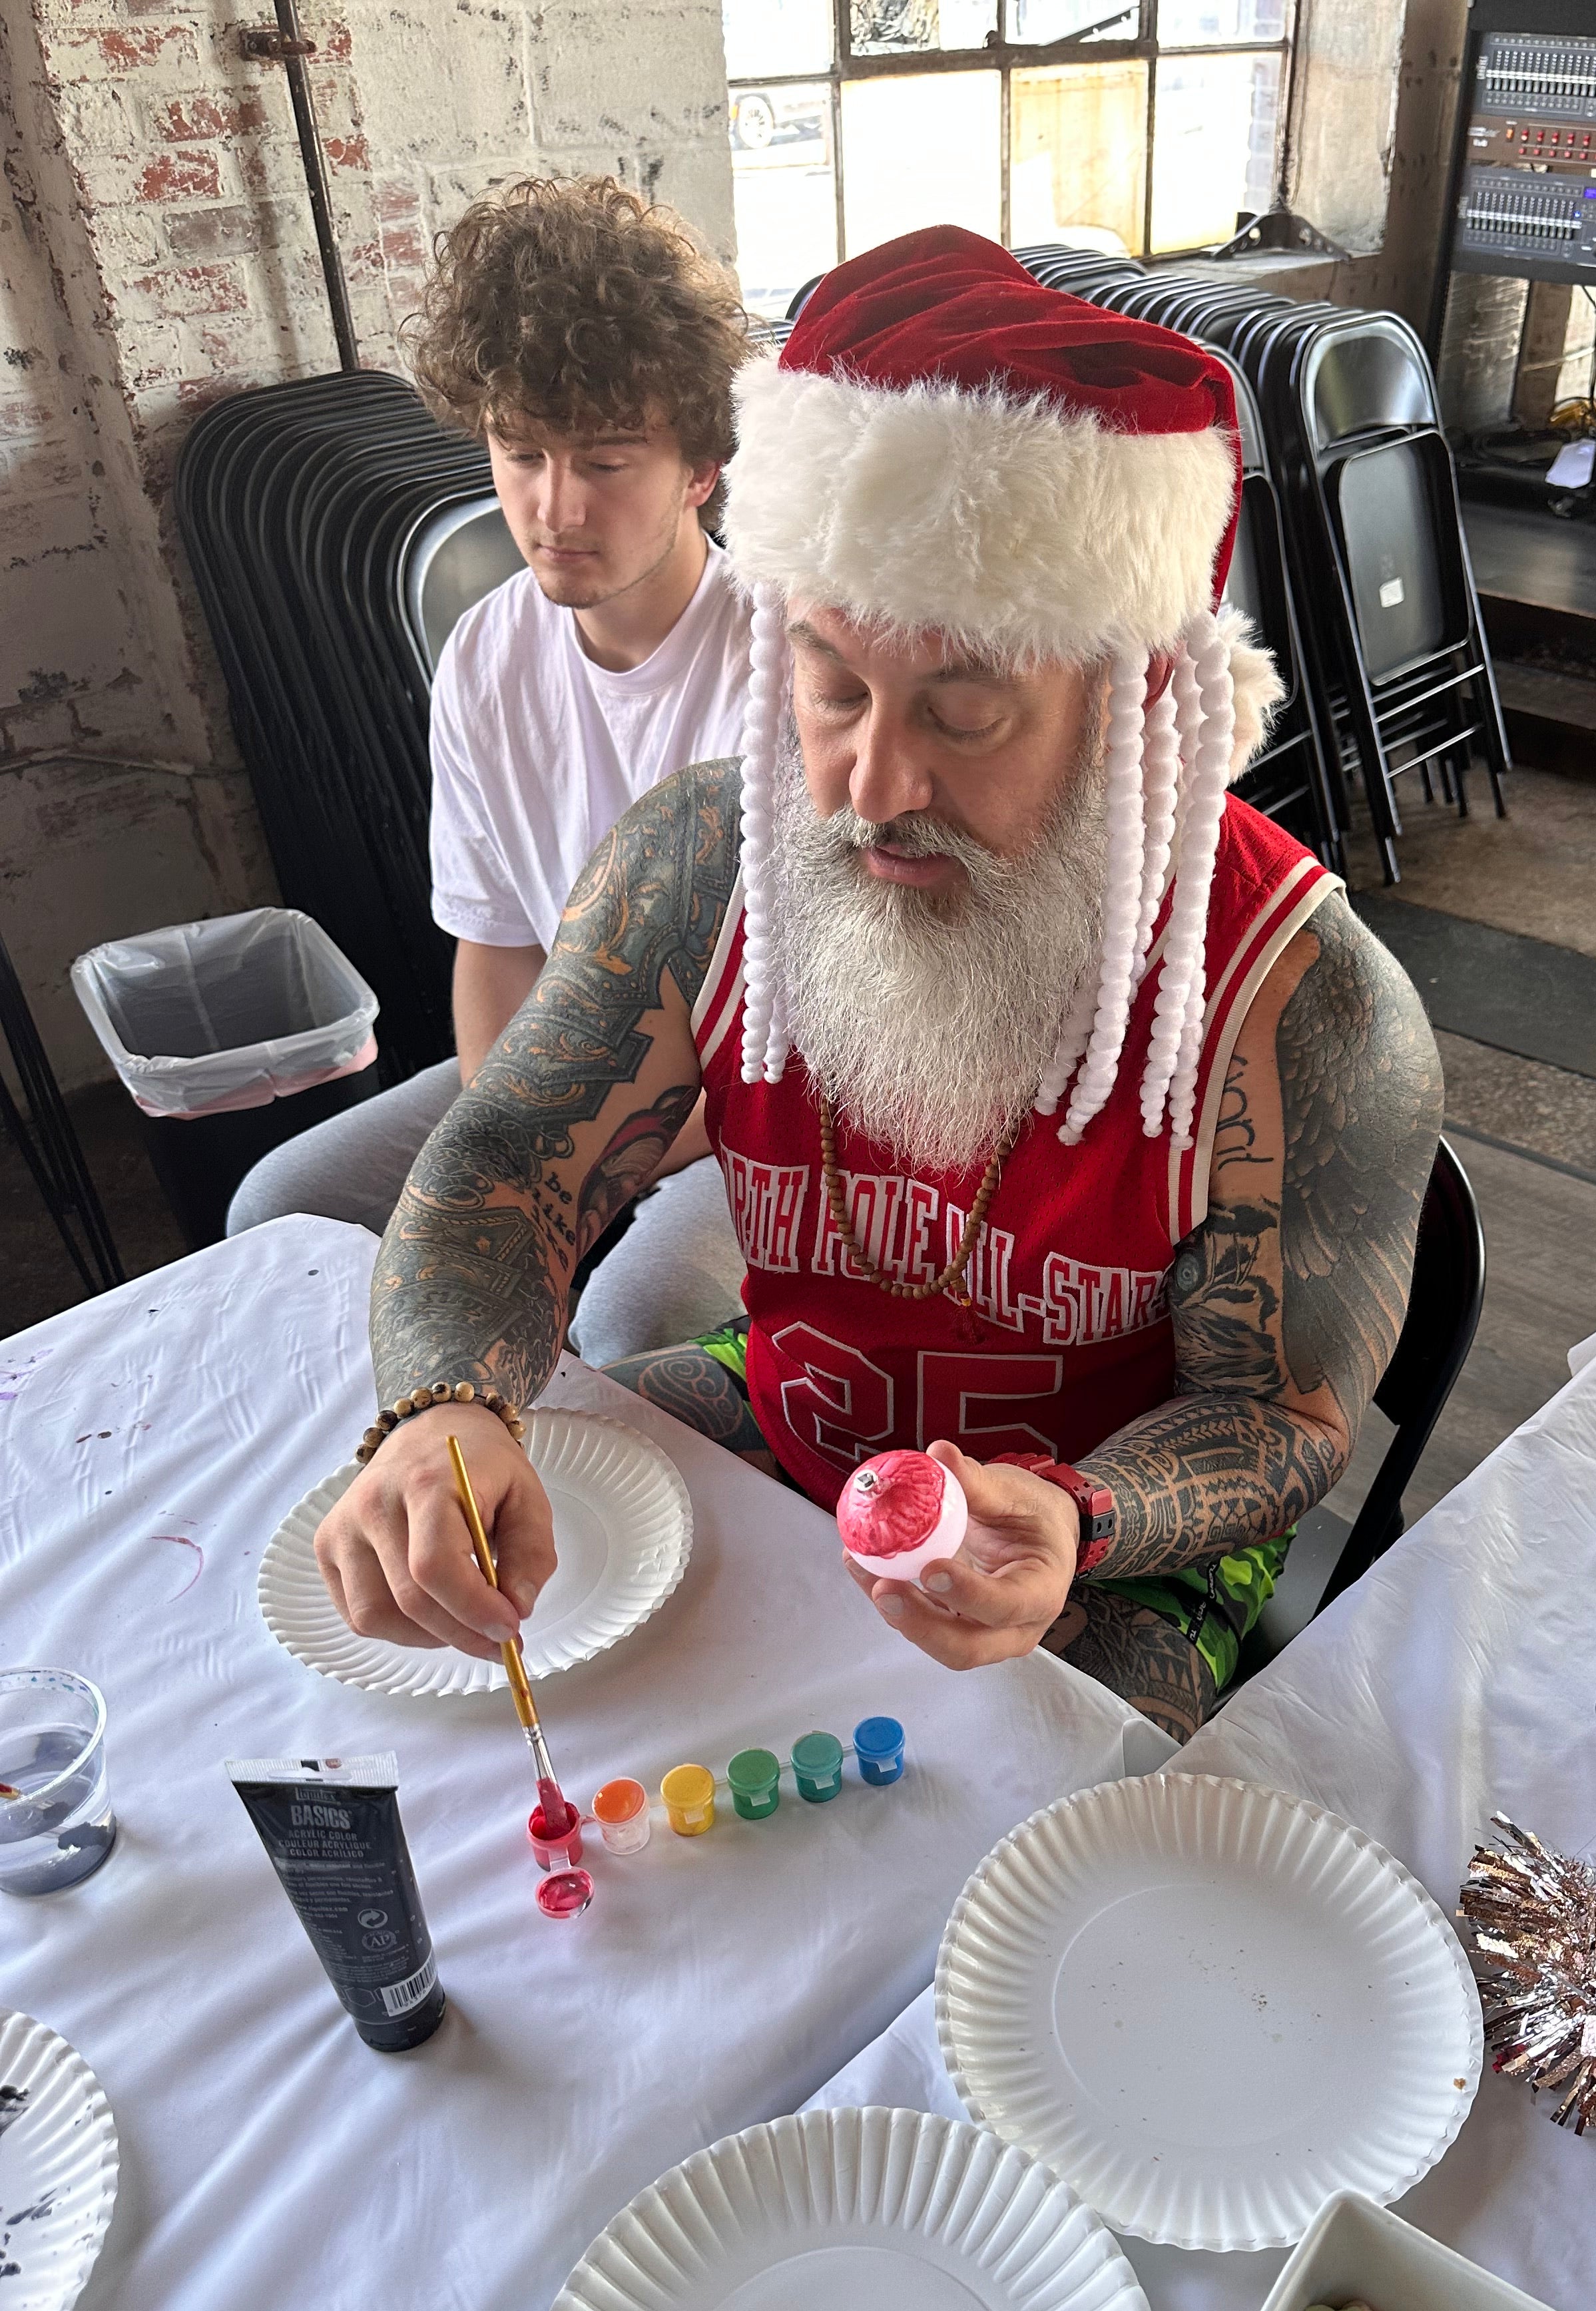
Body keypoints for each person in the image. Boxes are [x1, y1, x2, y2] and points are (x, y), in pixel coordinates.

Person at [312, 228, 1444, 1742]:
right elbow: (512, 1159)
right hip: (794, 1407)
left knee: (1018, 1834)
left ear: (1136, 701)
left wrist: (1083, 1522)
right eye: (833, 684)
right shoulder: (702, 870)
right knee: (533, 1709)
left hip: (1104, 1529)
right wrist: (442, 1406)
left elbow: (1283, 1414)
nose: (867, 783)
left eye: (964, 713)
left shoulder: (1305, 1007)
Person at [227, 175, 751, 1360]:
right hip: (569, 1087)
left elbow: (817, 1044)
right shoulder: (486, 651)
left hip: (760, 1118)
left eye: (610, 462)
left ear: (701, 469)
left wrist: (564, 1179)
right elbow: (497, 943)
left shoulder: (788, 670)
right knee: (278, 1208)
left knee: (634, 1319)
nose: (555, 507)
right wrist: (505, 1146)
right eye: (521, 455)